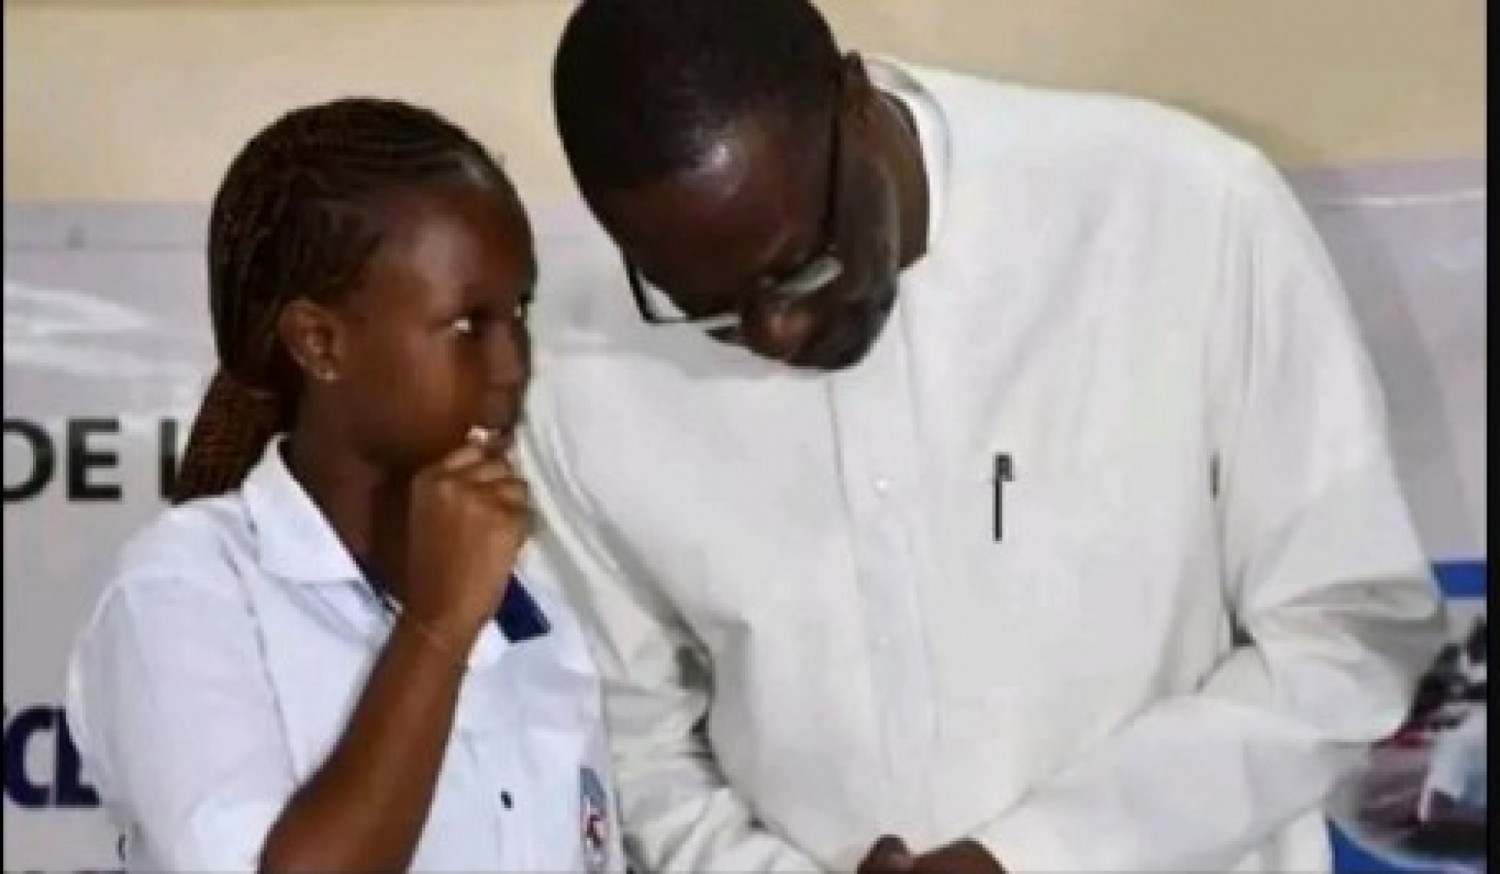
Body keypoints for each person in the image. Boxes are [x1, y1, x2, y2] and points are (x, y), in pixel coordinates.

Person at [519, 0, 1450, 871]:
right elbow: (634, 746)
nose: (775, 335)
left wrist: (1035, 855)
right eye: (703, 307)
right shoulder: (582, 368)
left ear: (855, 100)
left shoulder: (1182, 212)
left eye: (799, 270)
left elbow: (1349, 640)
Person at [65, 98, 622, 873]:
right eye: (468, 325)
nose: (512, 364)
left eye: (518, 312)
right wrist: (437, 626)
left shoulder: (538, 617)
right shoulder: (184, 587)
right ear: (320, 342)